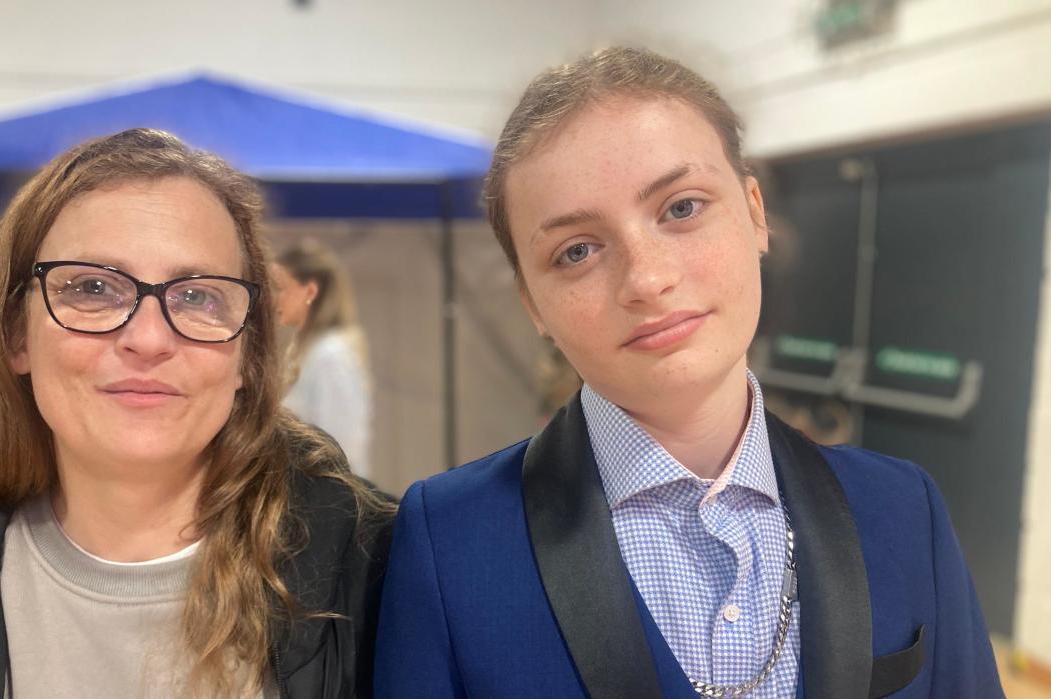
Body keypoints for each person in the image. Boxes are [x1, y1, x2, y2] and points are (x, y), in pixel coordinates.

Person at [374, 47, 1001, 698]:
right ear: (533, 303)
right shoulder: (452, 545)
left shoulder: (903, 509)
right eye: (577, 250)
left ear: (756, 213)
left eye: (681, 208)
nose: (647, 279)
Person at [0, 128, 393, 698]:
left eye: (198, 296)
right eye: (92, 288)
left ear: (248, 354)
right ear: (15, 335)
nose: (148, 338)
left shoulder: (383, 575)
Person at [272, 241, 373, 479]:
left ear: (309, 292)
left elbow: (342, 444)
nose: (275, 299)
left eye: (281, 288)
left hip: (326, 498)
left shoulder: (331, 354)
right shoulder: (305, 349)